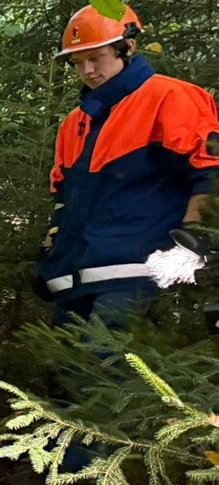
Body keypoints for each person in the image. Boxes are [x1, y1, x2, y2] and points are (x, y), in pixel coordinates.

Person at [34, 4, 219, 330]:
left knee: (102, 368)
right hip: (78, 279)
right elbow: (63, 202)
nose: (88, 69)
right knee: (62, 375)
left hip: (140, 273)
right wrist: (51, 258)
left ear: (127, 47)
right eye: (78, 62)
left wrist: (195, 243)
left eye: (96, 57)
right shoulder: (75, 123)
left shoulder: (171, 98)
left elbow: (209, 174)